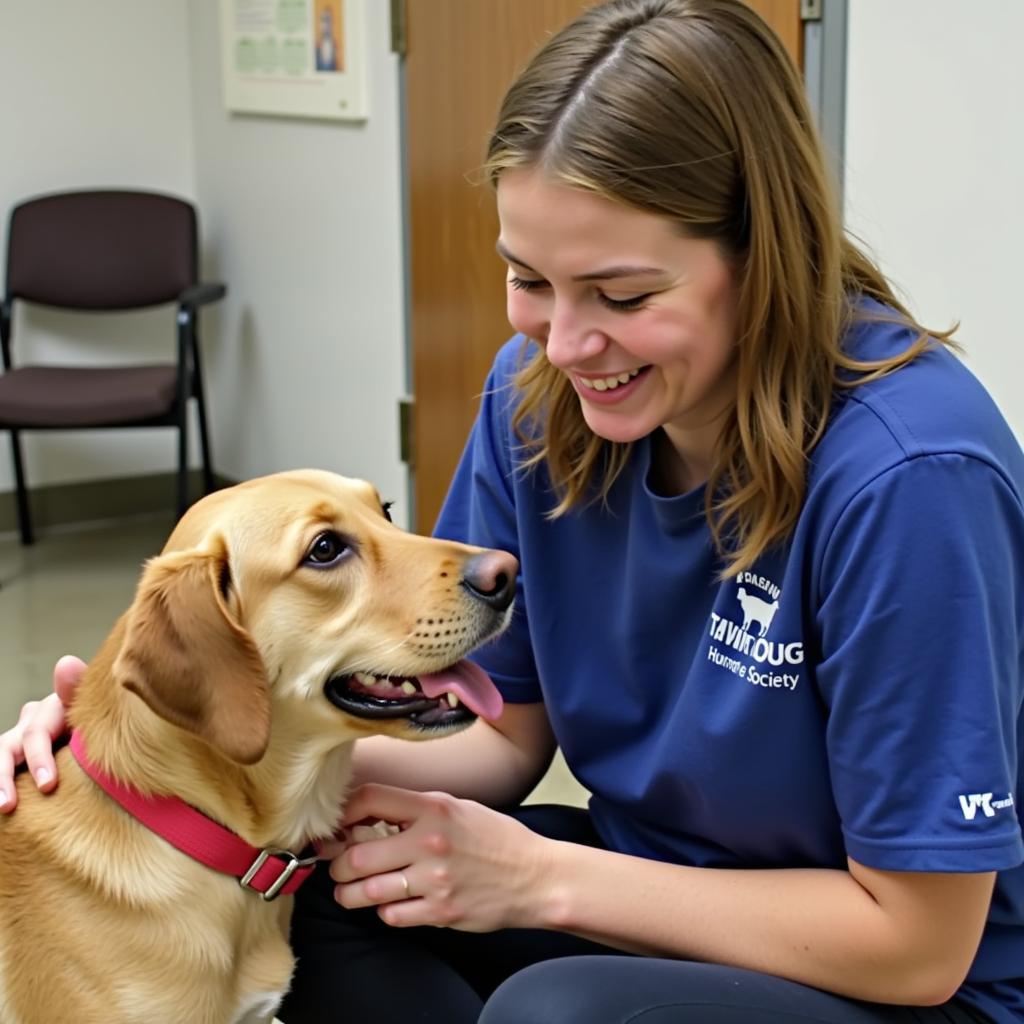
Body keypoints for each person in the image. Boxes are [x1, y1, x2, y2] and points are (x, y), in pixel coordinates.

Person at [2, 1, 1022, 1021]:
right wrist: (145, 741)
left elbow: (917, 943)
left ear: (762, 255)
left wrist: (535, 879)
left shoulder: (908, 474)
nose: (566, 341)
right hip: (653, 877)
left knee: (554, 1012)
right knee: (322, 891)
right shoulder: (540, 395)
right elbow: (501, 729)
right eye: (528, 279)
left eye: (620, 296)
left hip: (898, 977)